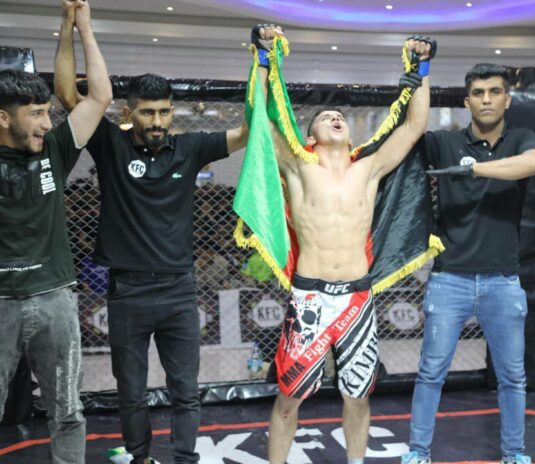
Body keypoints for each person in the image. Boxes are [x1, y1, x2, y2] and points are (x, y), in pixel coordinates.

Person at [54, 27, 252, 464]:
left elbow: (246, 131)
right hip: (127, 291)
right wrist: (73, 26)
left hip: (180, 289)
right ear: (129, 113)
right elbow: (68, 95)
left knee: (186, 391)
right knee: (131, 391)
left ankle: (184, 460)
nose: (158, 121)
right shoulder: (111, 143)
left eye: (164, 111)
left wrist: (265, 66)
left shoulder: (190, 147)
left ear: (172, 111)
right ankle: (140, 458)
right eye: (147, 113)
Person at [251, 26, 436, 464]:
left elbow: (415, 125)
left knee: (358, 396)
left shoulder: (368, 169)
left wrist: (423, 67)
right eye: (325, 117)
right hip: (310, 296)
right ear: (311, 137)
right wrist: (262, 57)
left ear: (351, 137)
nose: (335, 117)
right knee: (289, 398)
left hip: (357, 296)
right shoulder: (298, 167)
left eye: (340, 116)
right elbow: (260, 117)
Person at [402, 63, 535, 464]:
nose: (486, 100)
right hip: (450, 279)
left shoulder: (521, 138)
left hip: (503, 280)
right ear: (467, 101)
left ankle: (514, 454)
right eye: (478, 93)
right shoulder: (446, 142)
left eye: (494, 92)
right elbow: (413, 127)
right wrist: (421, 72)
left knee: (513, 377)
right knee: (431, 372)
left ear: (507, 99)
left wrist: (474, 168)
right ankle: (418, 453)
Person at [0, 1, 111, 462]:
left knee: (67, 411)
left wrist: (78, 28)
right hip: (1, 301)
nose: (48, 123)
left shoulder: (54, 149)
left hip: (54, 298)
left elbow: (99, 97)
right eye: (36, 114)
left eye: (48, 112)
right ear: (4, 118)